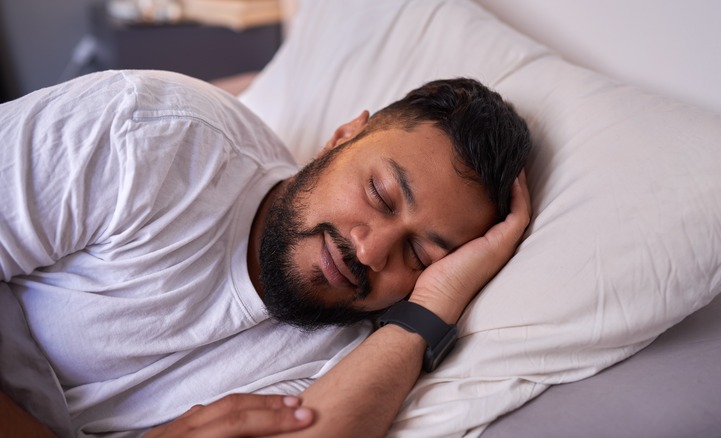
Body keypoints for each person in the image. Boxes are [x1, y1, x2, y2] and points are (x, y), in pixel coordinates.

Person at [0, 70, 531, 437]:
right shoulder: (151, 137)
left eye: (417, 254)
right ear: (344, 136)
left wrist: (429, 312)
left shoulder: (348, 354)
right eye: (380, 195)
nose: (370, 251)